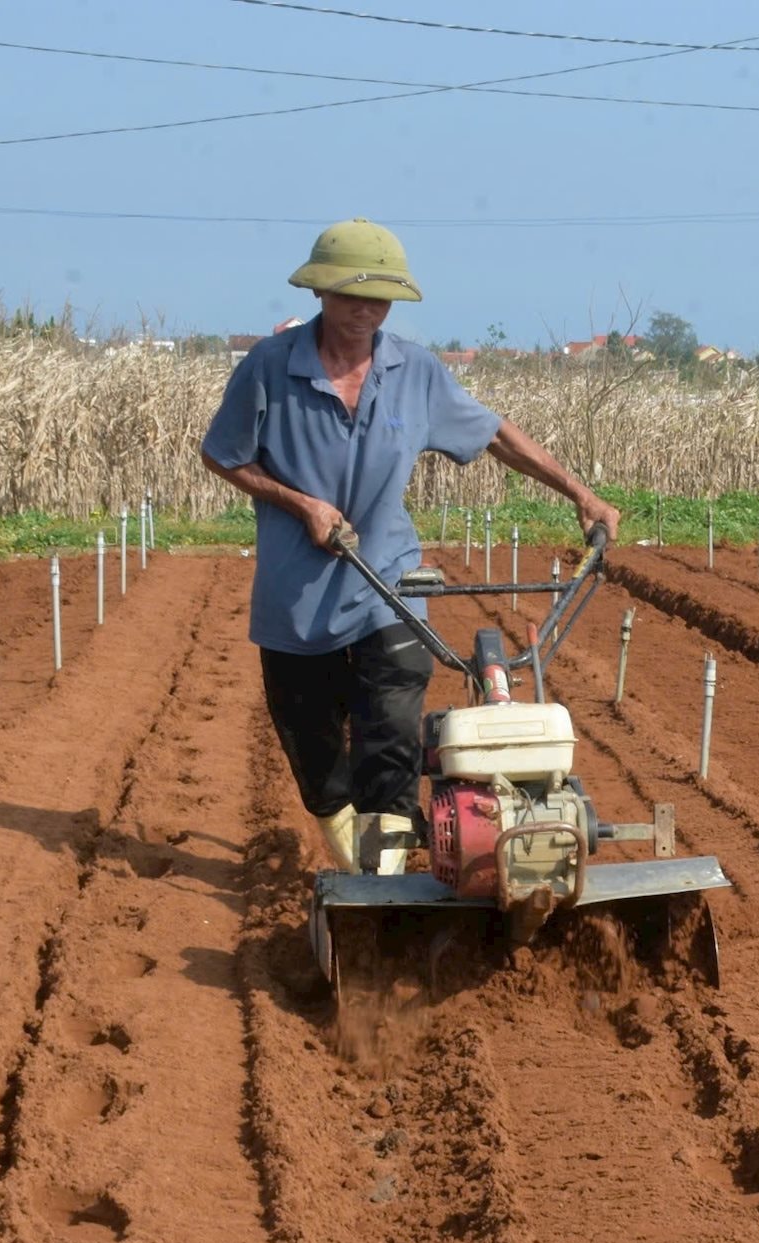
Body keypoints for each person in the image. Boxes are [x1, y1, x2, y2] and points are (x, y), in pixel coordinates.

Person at [199, 218, 620, 873]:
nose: (365, 310)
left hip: (388, 588)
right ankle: (362, 854)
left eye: (380, 298)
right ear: (319, 293)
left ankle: (384, 885)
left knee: (391, 739)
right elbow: (223, 455)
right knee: (319, 769)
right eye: (349, 295)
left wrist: (580, 493)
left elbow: (496, 436)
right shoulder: (269, 369)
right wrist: (299, 503)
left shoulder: (414, 371)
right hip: (295, 603)